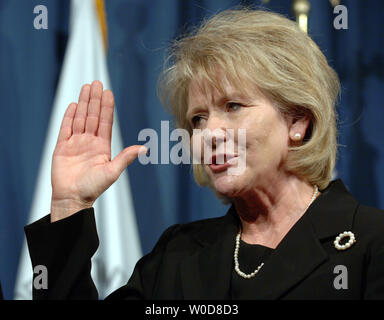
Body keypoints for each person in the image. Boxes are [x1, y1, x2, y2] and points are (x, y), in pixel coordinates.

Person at [25, 8, 384, 300]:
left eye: (233, 105)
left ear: (297, 121)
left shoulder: (368, 243)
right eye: (198, 118)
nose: (209, 134)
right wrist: (70, 205)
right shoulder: (178, 254)